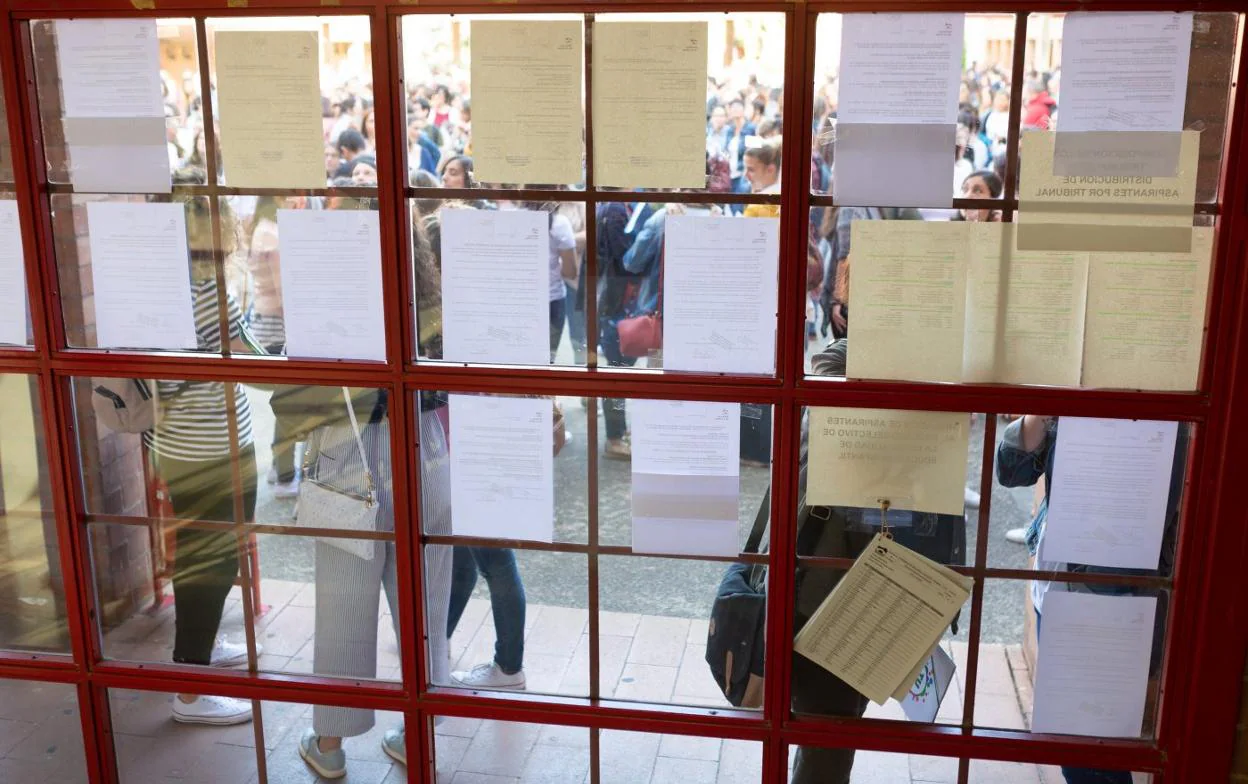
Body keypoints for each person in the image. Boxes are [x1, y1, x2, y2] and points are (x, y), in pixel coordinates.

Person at [786, 258, 967, 783]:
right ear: (845, 317)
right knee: (827, 737)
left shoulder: (939, 373)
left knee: (834, 734)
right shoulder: (833, 366)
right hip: (833, 582)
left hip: (902, 576)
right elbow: (812, 463)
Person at [297, 218, 454, 778]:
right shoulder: (430, 300)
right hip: (424, 445)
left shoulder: (329, 299)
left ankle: (331, 746)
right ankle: (416, 733)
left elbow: (298, 379)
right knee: (424, 603)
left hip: (347, 450)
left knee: (343, 601)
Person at [996, 415, 1180, 784]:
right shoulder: (1075, 395)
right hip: (1055, 581)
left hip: (1108, 589)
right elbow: (1010, 470)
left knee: (1090, 756)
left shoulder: (1159, 418)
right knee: (1076, 746)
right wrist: (1049, 404)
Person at [156, 181, 266, 725]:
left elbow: (232, 345)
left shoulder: (176, 284)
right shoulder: (195, 289)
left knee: (211, 557)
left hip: (190, 445)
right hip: (209, 448)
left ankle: (198, 651)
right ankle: (190, 687)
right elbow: (237, 356)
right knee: (211, 561)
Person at [243, 196, 301, 499]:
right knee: (289, 403)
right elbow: (284, 295)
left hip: (264, 323)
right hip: (278, 326)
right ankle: (284, 475)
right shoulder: (273, 234)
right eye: (291, 193)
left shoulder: (262, 227)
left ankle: (280, 470)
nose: (297, 199)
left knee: (286, 401)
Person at [594, 201, 655, 460]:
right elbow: (625, 259)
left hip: (624, 301)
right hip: (622, 301)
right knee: (617, 369)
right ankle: (615, 436)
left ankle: (619, 434)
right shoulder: (618, 210)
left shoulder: (636, 209)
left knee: (619, 367)